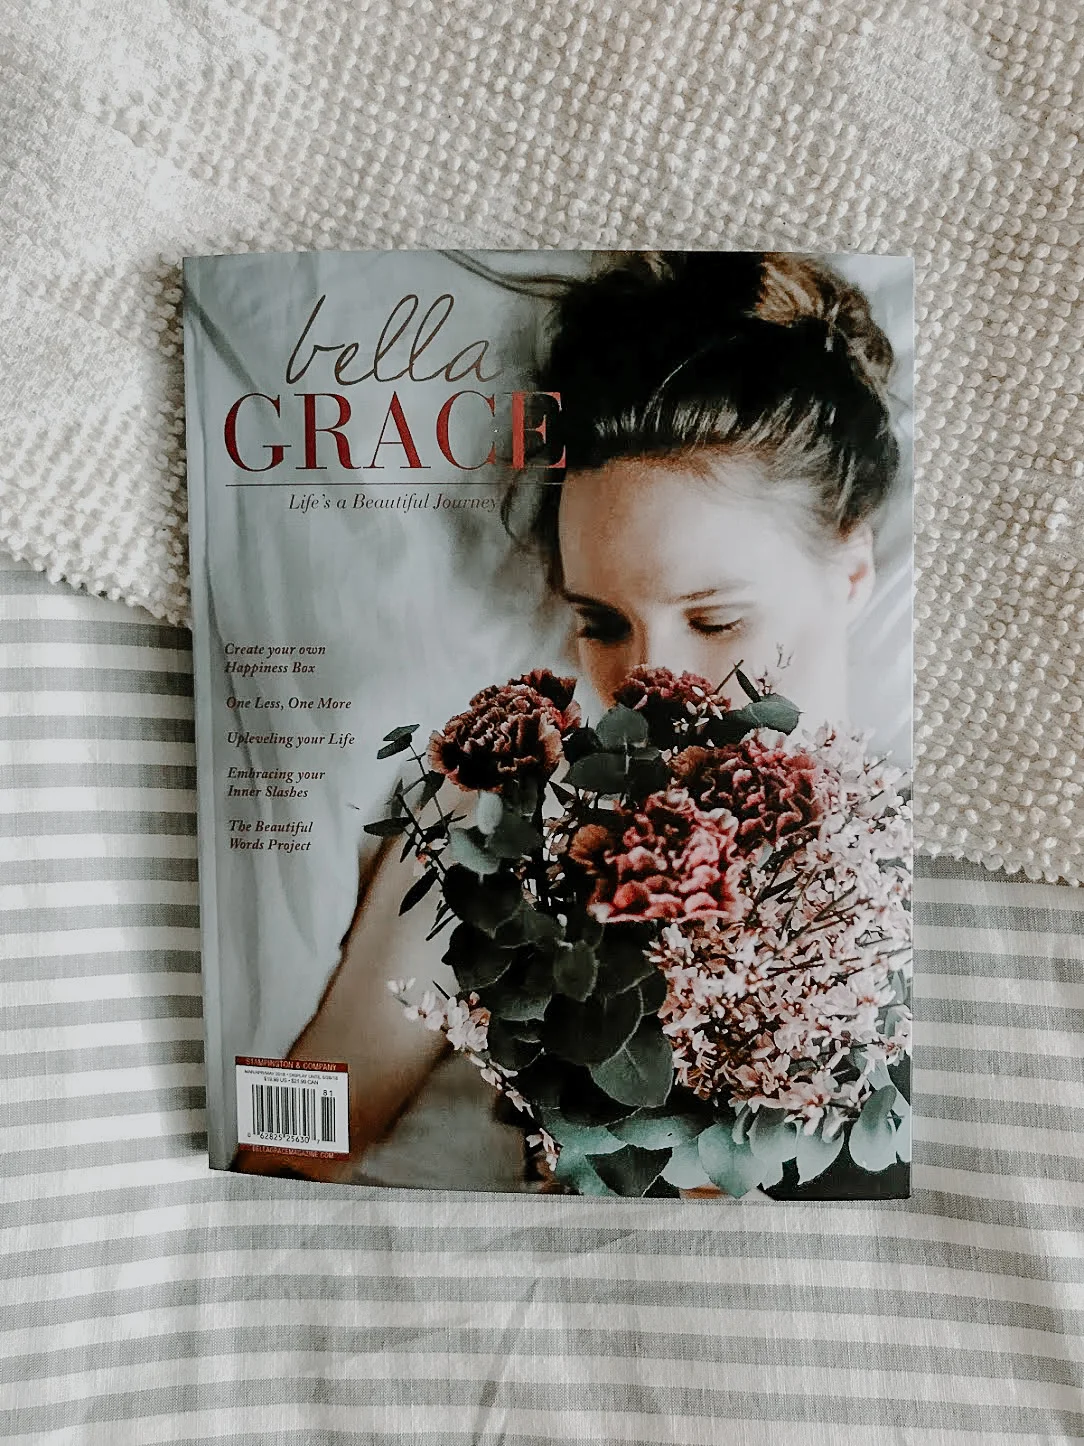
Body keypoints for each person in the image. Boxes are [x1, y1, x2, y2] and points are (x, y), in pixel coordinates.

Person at [234, 250, 904, 1188]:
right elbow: (302, 1144)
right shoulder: (499, 831)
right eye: (602, 624)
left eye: (717, 619)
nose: (652, 686)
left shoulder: (930, 873)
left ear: (853, 573)